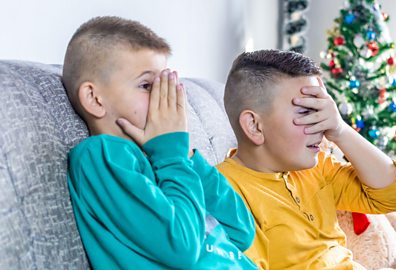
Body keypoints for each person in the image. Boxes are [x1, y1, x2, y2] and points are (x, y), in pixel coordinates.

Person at [63, 16, 257, 269]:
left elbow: (241, 231)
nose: (162, 97)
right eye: (146, 85)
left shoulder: (162, 158)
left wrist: (185, 155)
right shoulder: (102, 156)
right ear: (94, 99)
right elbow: (182, 250)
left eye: (165, 85)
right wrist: (172, 156)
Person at [217, 49, 396, 270]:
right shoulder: (223, 192)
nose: (323, 125)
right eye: (306, 112)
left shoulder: (316, 167)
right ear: (254, 126)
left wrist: (341, 130)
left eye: (321, 110)